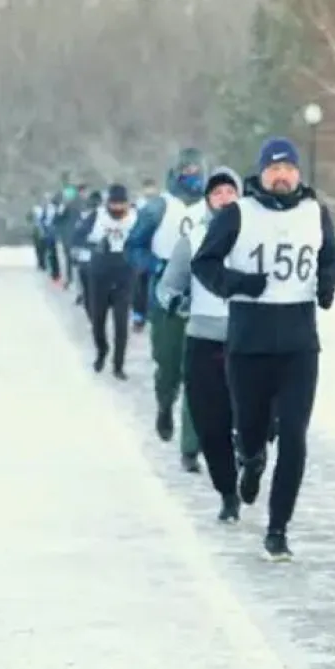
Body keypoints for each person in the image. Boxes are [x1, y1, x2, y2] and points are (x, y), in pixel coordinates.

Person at [191, 137, 335, 562]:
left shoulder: (316, 213)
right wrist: (239, 284)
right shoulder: (239, 214)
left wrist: (326, 287)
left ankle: (278, 529)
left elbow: (332, 257)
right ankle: (251, 457)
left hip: (299, 343)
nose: (281, 175)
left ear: (298, 174)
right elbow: (203, 264)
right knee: (253, 428)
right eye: (273, 169)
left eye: (288, 168)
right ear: (260, 174)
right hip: (249, 342)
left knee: (294, 436)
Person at [156, 167, 244, 516]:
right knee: (210, 421)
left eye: (229, 192)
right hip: (204, 338)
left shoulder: (254, 236)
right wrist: (176, 302)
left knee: (250, 417)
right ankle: (227, 493)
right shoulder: (193, 238)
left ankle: (249, 458)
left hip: (247, 339)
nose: (223, 198)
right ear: (208, 200)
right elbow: (168, 286)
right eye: (217, 193)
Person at [127, 148, 206, 471]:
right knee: (169, 368)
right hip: (165, 302)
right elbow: (134, 246)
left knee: (197, 375)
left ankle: (190, 448)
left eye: (197, 169)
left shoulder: (211, 208)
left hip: (203, 301)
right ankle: (164, 404)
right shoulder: (159, 207)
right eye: (186, 169)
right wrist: (156, 265)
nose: (192, 175)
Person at [77, 183, 138, 379]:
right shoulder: (97, 216)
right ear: (108, 203)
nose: (118, 209)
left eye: (122, 204)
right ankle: (102, 349)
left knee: (121, 323)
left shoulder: (135, 217)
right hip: (100, 274)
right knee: (98, 320)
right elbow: (77, 237)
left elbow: (145, 240)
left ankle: (118, 365)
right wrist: (94, 244)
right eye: (114, 204)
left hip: (124, 275)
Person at [131, 177, 161, 331]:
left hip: (156, 249)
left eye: (152, 188)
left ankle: (151, 315)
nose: (150, 191)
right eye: (147, 188)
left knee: (153, 284)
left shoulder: (160, 206)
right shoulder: (138, 206)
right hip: (141, 249)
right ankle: (138, 316)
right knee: (139, 284)